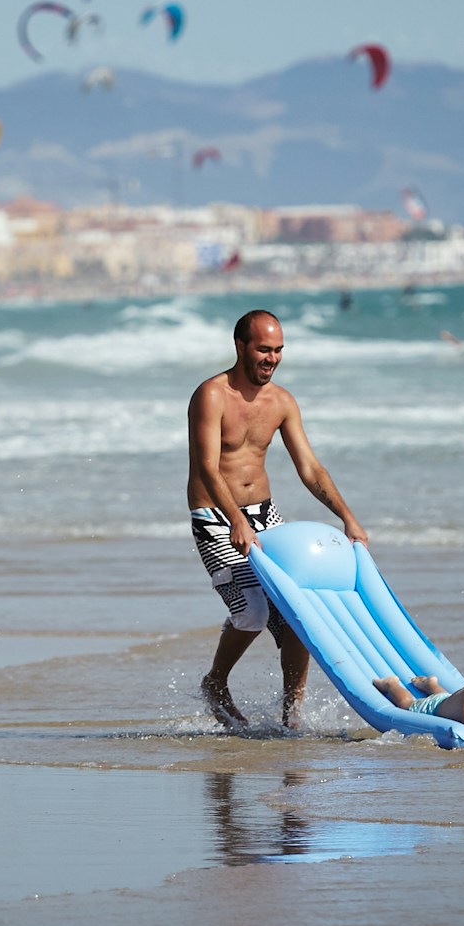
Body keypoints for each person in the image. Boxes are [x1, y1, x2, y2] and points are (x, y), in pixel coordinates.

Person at [189, 309, 370, 730]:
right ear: (240, 347)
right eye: (264, 349)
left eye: (278, 350)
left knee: (296, 615)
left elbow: (310, 469)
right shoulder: (211, 395)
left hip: (265, 514)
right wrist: (235, 519)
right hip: (216, 515)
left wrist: (348, 518)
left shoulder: (282, 402)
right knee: (251, 611)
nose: (272, 358)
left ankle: (292, 718)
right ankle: (215, 682)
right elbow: (208, 468)